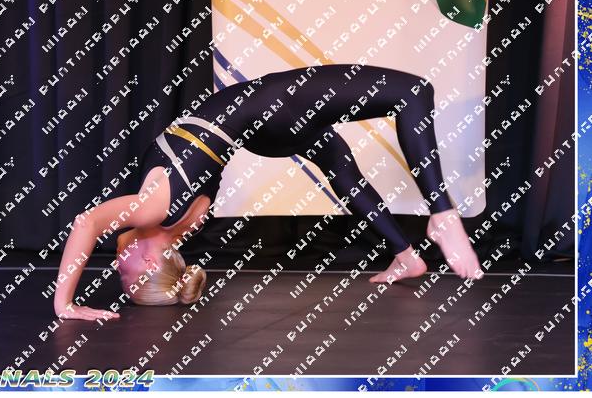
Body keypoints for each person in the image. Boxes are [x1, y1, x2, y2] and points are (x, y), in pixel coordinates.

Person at [53, 64, 483, 321]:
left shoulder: (180, 225)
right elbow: (85, 223)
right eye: (124, 275)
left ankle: (406, 255)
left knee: (343, 172)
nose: (117, 265)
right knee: (412, 91)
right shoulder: (154, 210)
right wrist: (65, 305)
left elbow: (114, 237)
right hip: (271, 110)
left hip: (267, 133)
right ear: (150, 261)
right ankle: (443, 215)